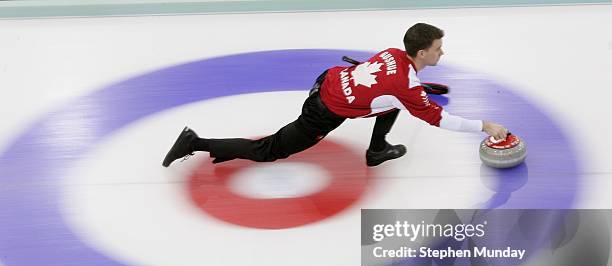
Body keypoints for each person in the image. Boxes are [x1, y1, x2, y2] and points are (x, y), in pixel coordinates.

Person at [162, 23, 508, 168]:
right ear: (420, 53)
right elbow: (438, 118)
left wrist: (414, 91)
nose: (442, 53)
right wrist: (485, 125)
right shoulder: (407, 85)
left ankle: (376, 150)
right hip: (323, 111)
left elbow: (390, 87)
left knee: (391, 104)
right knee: (268, 150)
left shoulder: (392, 54)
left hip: (327, 79)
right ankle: (196, 142)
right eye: (437, 49)